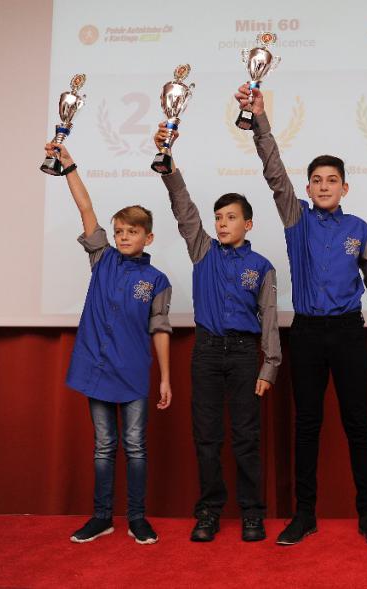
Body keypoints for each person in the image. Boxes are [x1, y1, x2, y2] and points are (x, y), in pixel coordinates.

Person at [234, 84, 367, 548]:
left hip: (348, 333)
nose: (324, 186)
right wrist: (260, 119)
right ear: (307, 188)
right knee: (307, 425)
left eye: (332, 180)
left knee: (357, 425)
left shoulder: (358, 228)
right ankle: (304, 515)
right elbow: (273, 171)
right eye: (316, 180)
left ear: (344, 188)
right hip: (307, 334)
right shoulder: (297, 219)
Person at [153, 125, 282, 543]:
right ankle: (208, 511)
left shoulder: (261, 267)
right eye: (218, 218)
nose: (223, 224)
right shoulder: (202, 250)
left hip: (245, 355)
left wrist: (269, 366)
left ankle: (252, 513)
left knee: (246, 437)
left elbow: (268, 318)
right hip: (207, 352)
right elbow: (183, 207)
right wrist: (169, 166)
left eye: (231, 218)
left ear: (248, 223)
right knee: (206, 437)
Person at [48, 143, 173, 545]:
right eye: (119, 231)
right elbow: (86, 209)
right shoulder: (101, 258)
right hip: (96, 368)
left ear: (148, 237)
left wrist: (165, 378)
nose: (122, 237)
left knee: (135, 447)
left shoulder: (157, 281)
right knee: (104, 446)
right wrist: (70, 167)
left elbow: (160, 329)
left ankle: (137, 518)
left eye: (131, 232)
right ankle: (101, 517)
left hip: (133, 372)